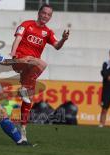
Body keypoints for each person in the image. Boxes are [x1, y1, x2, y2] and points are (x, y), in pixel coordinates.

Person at [10, 4, 69, 141]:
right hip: (20, 60)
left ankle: (23, 130)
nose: (45, 16)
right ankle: (23, 87)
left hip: (31, 68)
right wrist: (13, 56)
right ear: (39, 13)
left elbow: (57, 46)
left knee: (28, 99)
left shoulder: (48, 32)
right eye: (44, 13)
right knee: (41, 63)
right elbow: (17, 39)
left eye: (49, 15)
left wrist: (64, 39)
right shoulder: (27, 24)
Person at [99, 48, 110, 127]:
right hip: (107, 89)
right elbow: (103, 73)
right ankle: (101, 123)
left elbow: (105, 74)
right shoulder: (106, 63)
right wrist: (108, 76)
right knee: (104, 108)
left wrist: (108, 76)